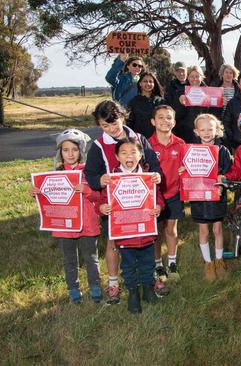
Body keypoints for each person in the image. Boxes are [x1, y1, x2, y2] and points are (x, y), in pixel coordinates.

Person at [84, 100, 162, 304]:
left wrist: (157, 176)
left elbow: (154, 165)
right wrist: (99, 180)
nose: (111, 129)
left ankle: (150, 279)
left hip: (141, 204)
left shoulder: (139, 139)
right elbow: (90, 174)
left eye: (114, 123)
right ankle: (113, 283)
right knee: (113, 244)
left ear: (123, 117)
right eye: (105, 126)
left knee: (148, 238)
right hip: (115, 207)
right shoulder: (99, 145)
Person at [29, 129, 102, 304]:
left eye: (75, 150)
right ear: (60, 152)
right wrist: (37, 193)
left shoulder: (89, 172)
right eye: (66, 150)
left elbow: (99, 196)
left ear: (81, 151)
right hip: (65, 225)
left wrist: (87, 190)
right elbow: (49, 199)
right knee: (69, 258)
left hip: (88, 222)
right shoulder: (54, 174)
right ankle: (73, 288)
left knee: (91, 257)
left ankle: (95, 286)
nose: (70, 154)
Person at [99, 138, 165, 314]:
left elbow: (157, 197)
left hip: (146, 233)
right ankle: (133, 293)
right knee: (128, 266)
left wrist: (159, 206)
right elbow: (103, 200)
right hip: (125, 235)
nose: (129, 156)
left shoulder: (148, 176)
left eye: (133, 152)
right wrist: (103, 208)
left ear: (141, 155)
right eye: (124, 153)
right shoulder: (111, 179)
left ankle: (148, 290)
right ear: (117, 156)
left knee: (148, 263)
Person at [181, 114, 232, 282]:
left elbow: (227, 174)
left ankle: (219, 260)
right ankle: (208, 263)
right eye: (202, 130)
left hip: (216, 195)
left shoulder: (223, 150)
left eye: (210, 129)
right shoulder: (191, 151)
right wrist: (182, 172)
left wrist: (222, 182)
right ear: (196, 131)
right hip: (199, 197)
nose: (207, 133)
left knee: (217, 230)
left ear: (217, 130)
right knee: (203, 231)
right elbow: (186, 171)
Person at [148, 105, 185, 283]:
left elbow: (187, 168)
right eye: (160, 118)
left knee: (171, 230)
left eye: (169, 118)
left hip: (174, 193)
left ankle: (171, 263)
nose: (165, 121)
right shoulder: (146, 145)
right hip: (155, 196)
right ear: (153, 121)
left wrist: (185, 170)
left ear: (174, 122)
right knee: (155, 233)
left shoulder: (180, 144)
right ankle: (158, 265)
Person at [175, 65, 219, 143]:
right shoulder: (180, 93)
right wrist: (181, 104)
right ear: (188, 77)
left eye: (197, 76)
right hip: (185, 134)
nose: (194, 79)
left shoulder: (210, 93)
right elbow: (176, 115)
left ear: (201, 77)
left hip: (205, 135)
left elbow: (215, 115)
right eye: (192, 76)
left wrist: (220, 103)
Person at [127, 71, 165, 138]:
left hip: (158, 140)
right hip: (140, 140)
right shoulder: (133, 102)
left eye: (151, 81)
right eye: (145, 81)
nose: (148, 83)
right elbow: (129, 123)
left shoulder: (161, 102)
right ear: (140, 83)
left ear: (154, 84)